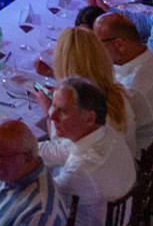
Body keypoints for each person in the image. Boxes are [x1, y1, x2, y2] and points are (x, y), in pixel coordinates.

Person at [37, 78, 135, 226]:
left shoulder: (82, 169)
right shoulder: (105, 134)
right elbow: (57, 150)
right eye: (52, 106)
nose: (51, 116)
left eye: (62, 111)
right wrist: (23, 149)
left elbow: (41, 200)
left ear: (90, 118)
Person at [37, 26, 136, 157]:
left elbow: (57, 148)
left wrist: (47, 109)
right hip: (122, 167)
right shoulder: (118, 92)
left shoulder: (80, 114)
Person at [92, 13, 153, 153]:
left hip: (133, 156)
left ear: (119, 44)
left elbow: (106, 138)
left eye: (97, 43)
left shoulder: (131, 91)